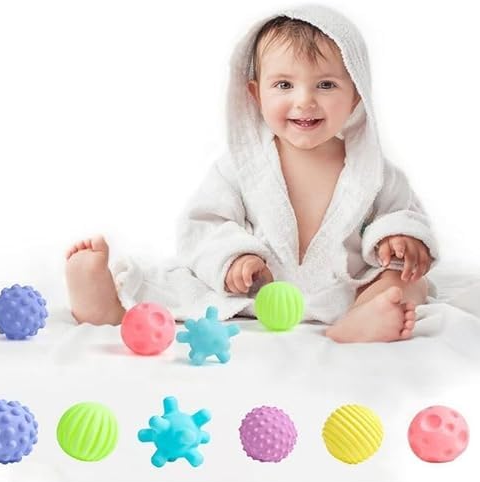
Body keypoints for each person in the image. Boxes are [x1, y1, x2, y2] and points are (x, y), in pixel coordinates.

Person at [65, 4, 438, 343]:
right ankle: (107, 306)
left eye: (326, 85)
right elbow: (205, 224)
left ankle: (361, 319)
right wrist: (235, 259)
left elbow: (402, 213)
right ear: (255, 94)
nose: (304, 100)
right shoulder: (241, 166)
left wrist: (399, 237)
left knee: (409, 282)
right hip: (254, 289)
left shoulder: (374, 171)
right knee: (180, 284)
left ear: (356, 94)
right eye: (284, 85)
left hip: (344, 290)